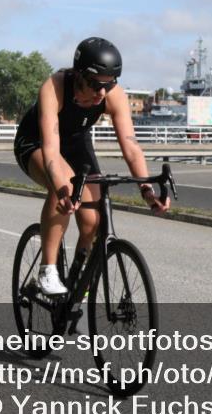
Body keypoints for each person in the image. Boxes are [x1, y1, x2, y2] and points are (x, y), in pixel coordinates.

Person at [13, 37, 170, 296]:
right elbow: (51, 151)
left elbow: (131, 148)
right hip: (36, 143)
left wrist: (147, 190)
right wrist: (62, 190)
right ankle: (47, 270)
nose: (102, 94)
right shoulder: (55, 88)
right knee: (61, 182)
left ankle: (76, 286)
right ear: (78, 76)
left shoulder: (112, 95)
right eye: (96, 85)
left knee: (92, 222)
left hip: (76, 143)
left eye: (109, 86)